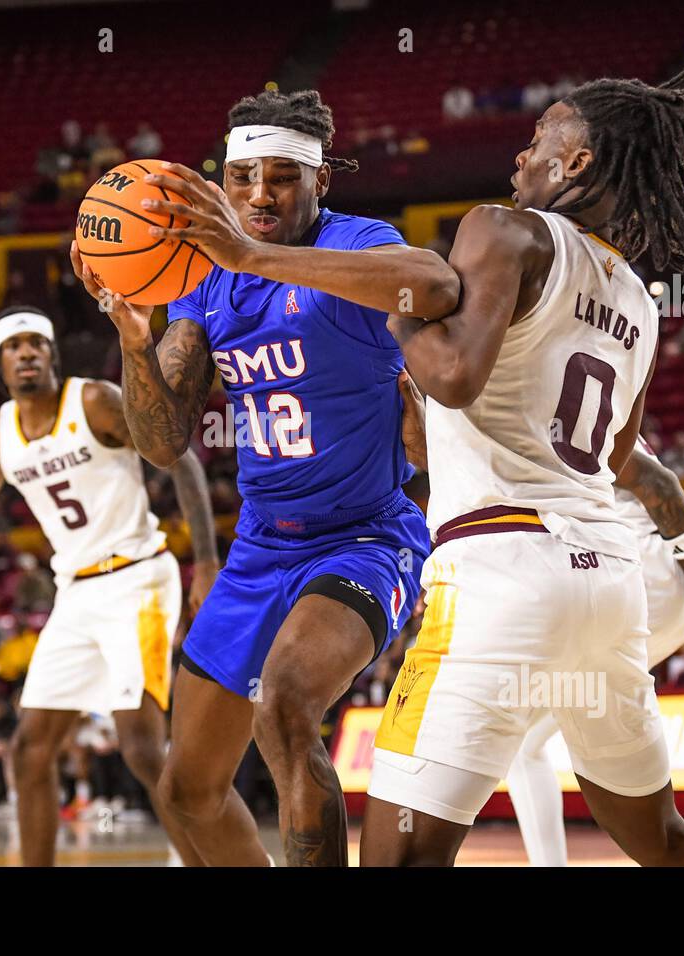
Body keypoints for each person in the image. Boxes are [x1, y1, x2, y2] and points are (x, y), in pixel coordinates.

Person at [365, 51, 684, 866]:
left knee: (398, 858)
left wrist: (401, 301)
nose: (519, 154)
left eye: (538, 137)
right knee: (665, 840)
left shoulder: (504, 229)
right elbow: (613, 458)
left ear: (575, 161)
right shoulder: (637, 300)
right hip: (608, 584)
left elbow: (457, 379)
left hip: (502, 571)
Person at [70, 88, 452, 865]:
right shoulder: (205, 282)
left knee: (284, 708)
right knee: (186, 791)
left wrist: (253, 256)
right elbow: (162, 440)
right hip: (260, 550)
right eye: (243, 176)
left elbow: (434, 282)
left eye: (282, 176)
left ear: (320, 182)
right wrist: (134, 339)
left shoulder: (353, 244)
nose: (258, 194)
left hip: (366, 539)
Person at [0, 306, 219, 866]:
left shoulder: (94, 400)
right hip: (75, 592)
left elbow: (179, 459)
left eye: (36, 344)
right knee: (29, 751)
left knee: (143, 750)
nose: (26, 353)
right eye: (13, 347)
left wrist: (204, 561)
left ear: (52, 354)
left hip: (138, 581)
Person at [505, 441, 684, 866]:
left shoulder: (559, 404)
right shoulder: (578, 395)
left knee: (526, 742)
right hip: (655, 584)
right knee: (532, 741)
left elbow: (658, 482)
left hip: (641, 580)